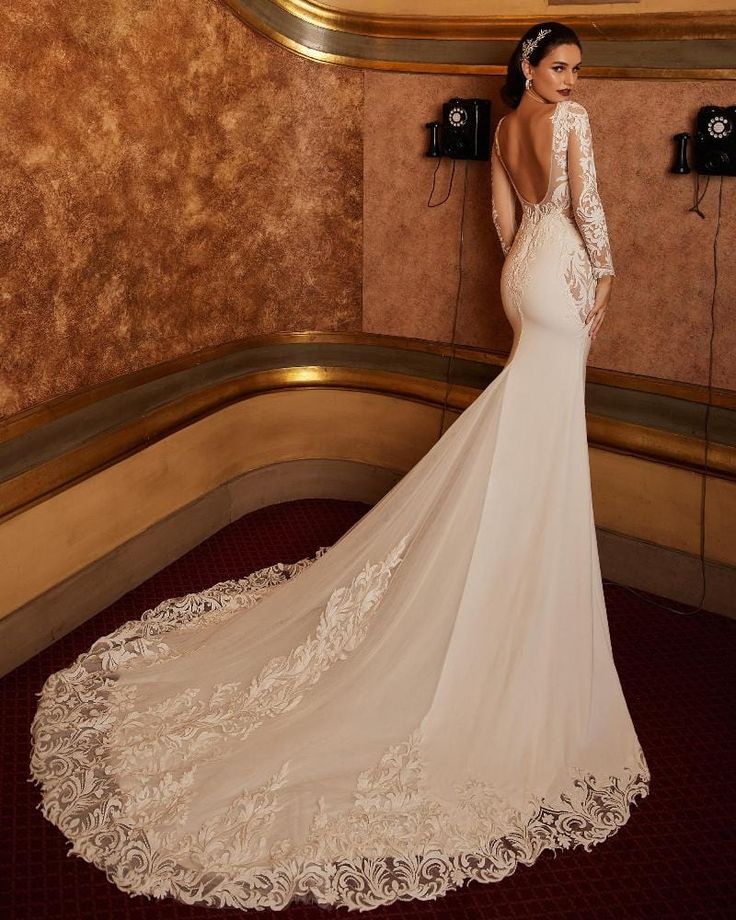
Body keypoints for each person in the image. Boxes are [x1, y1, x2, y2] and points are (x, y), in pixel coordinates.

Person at [30, 20, 650, 914]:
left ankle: (498, 565)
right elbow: (588, 212)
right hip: (559, 283)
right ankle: (510, 585)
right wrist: (606, 282)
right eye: (559, 66)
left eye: (576, 71)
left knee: (524, 426)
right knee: (543, 429)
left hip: (523, 278)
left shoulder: (504, 120)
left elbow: (501, 220)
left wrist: (529, 274)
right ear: (530, 63)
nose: (570, 80)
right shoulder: (569, 123)